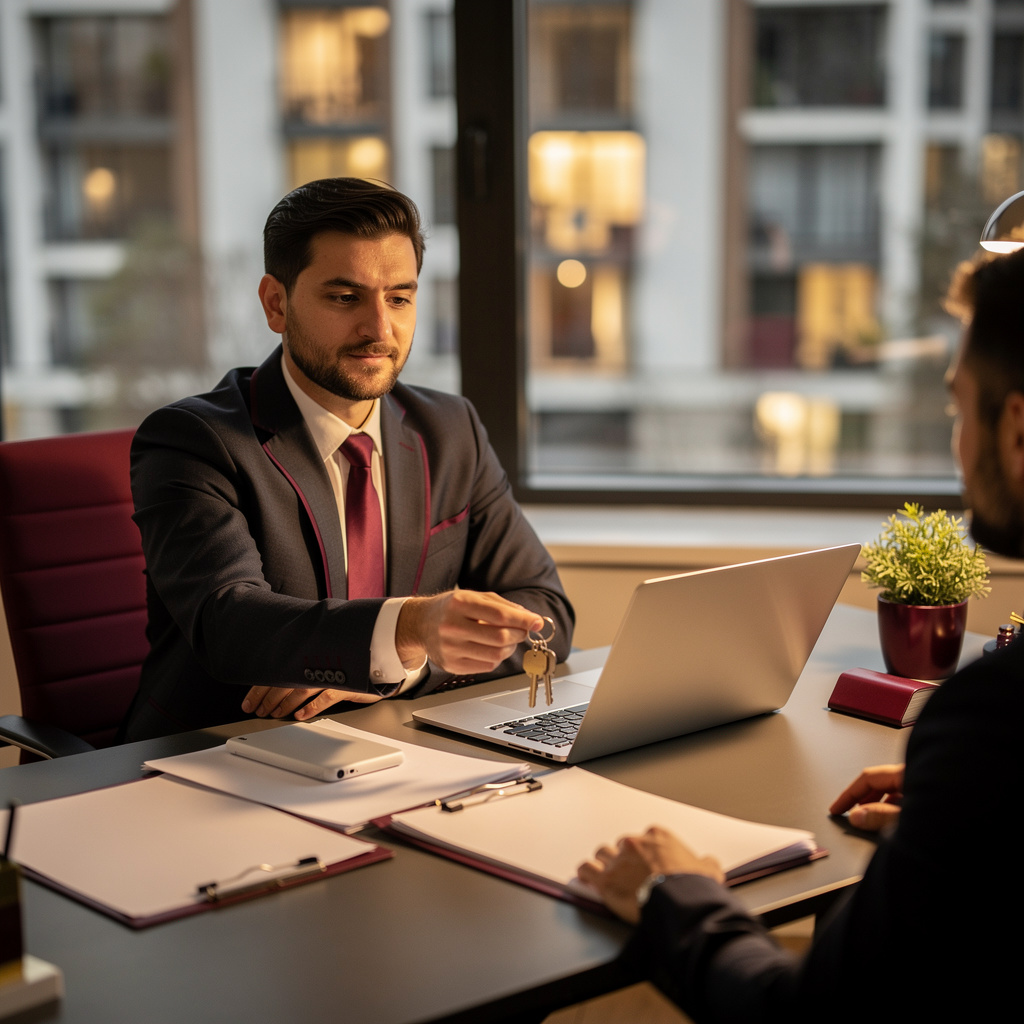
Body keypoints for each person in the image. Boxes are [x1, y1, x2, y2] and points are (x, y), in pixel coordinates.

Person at [577, 249, 1024, 1023]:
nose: (957, 445)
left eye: (960, 407)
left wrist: (672, 891)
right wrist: (969, 814)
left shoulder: (995, 717)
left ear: (1017, 425)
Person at [121, 178, 574, 741]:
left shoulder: (451, 430)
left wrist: (403, 661)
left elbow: (547, 615)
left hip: (397, 749)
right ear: (276, 303)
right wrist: (410, 625)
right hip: (217, 758)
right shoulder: (194, 440)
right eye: (345, 297)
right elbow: (230, 625)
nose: (379, 329)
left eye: (399, 298)